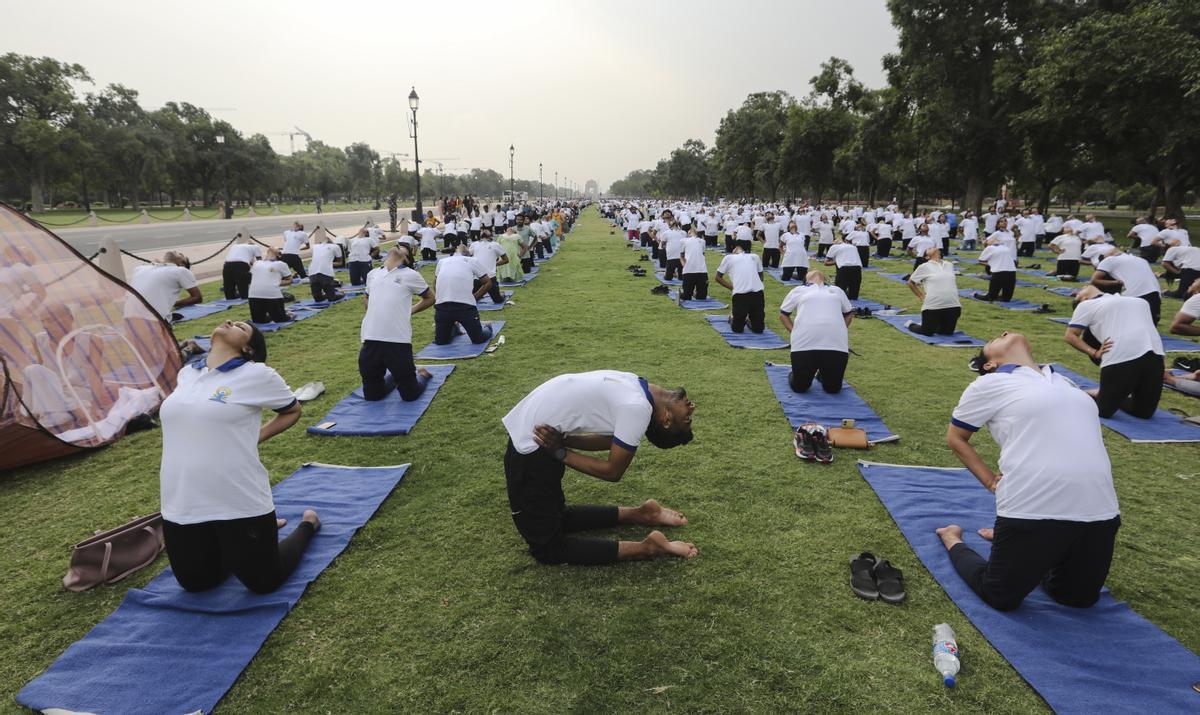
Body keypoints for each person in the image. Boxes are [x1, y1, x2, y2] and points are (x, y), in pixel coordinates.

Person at [938, 330, 1120, 612]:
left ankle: (1033, 553)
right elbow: (956, 437)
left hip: (1099, 510)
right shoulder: (990, 384)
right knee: (999, 595)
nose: (1004, 332)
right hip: (1033, 507)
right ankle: (952, 539)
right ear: (990, 364)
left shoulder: (1064, 380)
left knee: (1077, 599)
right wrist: (989, 481)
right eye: (995, 338)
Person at [159, 319, 321, 594]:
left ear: (248, 349)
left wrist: (255, 436)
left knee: (264, 583)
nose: (231, 322)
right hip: (182, 498)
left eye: (242, 328)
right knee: (196, 584)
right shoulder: (188, 374)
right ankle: (251, 541)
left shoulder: (257, 374)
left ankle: (307, 525)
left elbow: (292, 411)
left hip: (236, 498)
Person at [502, 370, 698, 565]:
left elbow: (612, 471)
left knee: (548, 549)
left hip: (532, 445)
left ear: (667, 420)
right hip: (537, 440)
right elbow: (612, 441)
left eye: (686, 419)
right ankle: (641, 513)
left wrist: (561, 452)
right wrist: (561, 444)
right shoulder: (638, 395)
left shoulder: (636, 394)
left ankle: (648, 547)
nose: (692, 408)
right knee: (558, 517)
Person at [1065, 286, 1165, 418]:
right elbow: (1070, 335)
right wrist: (1094, 352)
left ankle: (1106, 393)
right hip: (1122, 357)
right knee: (1104, 411)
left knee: (1144, 413)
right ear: (1083, 299)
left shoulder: (1140, 302)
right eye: (1077, 296)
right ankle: (1092, 394)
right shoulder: (1087, 305)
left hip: (1155, 354)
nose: (1079, 290)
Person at [359, 247, 435, 401]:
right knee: (372, 396)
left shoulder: (411, 275)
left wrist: (411, 310)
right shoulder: (373, 274)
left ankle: (421, 375)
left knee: (410, 395)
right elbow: (366, 298)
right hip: (371, 338)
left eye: (403, 248)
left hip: (397, 340)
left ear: (406, 259)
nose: (399, 247)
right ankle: (396, 376)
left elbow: (430, 298)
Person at [778, 271, 853, 393]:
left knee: (833, 389)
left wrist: (841, 330)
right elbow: (783, 314)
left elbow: (849, 314)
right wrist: (795, 332)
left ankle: (822, 373)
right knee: (800, 387)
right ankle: (798, 372)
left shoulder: (837, 291)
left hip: (835, 345)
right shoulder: (799, 290)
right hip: (804, 345)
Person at [433, 248, 495, 345]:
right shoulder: (442, 262)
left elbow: (487, 283)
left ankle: (488, 327)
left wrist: (473, 298)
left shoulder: (469, 261)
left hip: (465, 307)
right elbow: (488, 282)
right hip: (443, 307)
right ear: (468, 254)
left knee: (478, 339)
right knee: (441, 342)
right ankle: (454, 327)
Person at [1090, 248, 1162, 324]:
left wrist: (1116, 282)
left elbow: (1094, 280)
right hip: (1155, 294)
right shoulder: (1142, 260)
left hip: (1134, 296)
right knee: (1150, 326)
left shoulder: (1109, 260)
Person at [128, 251, 202, 321]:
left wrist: (173, 304)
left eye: (180, 254)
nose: (175, 251)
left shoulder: (180, 271)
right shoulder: (140, 268)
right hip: (130, 318)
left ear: (181, 264)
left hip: (151, 320)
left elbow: (197, 298)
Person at [906, 246, 962, 336]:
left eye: (933, 246)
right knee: (927, 332)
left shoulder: (949, 265)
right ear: (927, 257)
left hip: (953, 305)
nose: (932, 247)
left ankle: (935, 324)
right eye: (928, 248)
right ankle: (911, 324)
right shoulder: (924, 267)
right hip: (933, 306)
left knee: (947, 333)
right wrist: (920, 296)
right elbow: (910, 283)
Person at [715, 248, 766, 333]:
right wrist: (733, 287)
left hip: (757, 294)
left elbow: (718, 277)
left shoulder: (754, 257)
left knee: (759, 329)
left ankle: (748, 318)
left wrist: (752, 284)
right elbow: (717, 277)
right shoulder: (729, 258)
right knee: (737, 329)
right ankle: (733, 317)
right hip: (741, 295)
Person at [247, 248, 294, 324]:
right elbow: (290, 280)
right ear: (279, 255)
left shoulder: (257, 263)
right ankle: (286, 314)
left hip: (253, 296)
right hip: (272, 296)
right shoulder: (281, 264)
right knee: (281, 319)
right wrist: (277, 282)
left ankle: (271, 315)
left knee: (258, 321)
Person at [469, 231, 509, 304]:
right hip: (488, 278)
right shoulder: (495, 245)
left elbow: (468, 256)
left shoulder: (474, 244)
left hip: (477, 277)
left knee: (471, 299)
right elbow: (506, 260)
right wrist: (494, 264)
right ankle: (499, 294)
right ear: (491, 237)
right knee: (498, 300)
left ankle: (481, 295)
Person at [974, 238, 1017, 303]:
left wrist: (975, 295)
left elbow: (980, 260)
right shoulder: (1005, 247)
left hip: (998, 273)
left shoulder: (989, 248)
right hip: (1012, 272)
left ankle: (974, 294)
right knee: (1006, 299)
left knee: (990, 297)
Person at [307, 235, 343, 303]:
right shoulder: (335, 246)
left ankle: (327, 293)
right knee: (331, 298)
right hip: (326, 273)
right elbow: (340, 262)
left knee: (317, 299)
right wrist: (328, 263)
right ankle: (331, 293)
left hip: (312, 273)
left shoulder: (315, 246)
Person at [680, 228, 709, 301]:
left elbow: (681, 256)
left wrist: (684, 264)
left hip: (699, 271)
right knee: (687, 297)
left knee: (701, 298)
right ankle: (688, 292)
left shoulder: (702, 241)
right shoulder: (684, 241)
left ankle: (692, 293)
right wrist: (684, 265)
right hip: (693, 271)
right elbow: (681, 256)